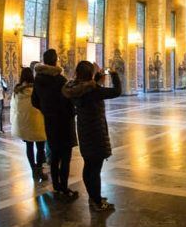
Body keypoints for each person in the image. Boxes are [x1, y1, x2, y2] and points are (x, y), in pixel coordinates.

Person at [62, 61, 121, 211]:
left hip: (83, 131)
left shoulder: (74, 88)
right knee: (95, 169)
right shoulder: (94, 91)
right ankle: (97, 202)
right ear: (90, 74)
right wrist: (113, 74)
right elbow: (117, 91)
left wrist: (96, 78)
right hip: (96, 133)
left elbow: (87, 86)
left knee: (89, 166)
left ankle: (93, 197)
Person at [32, 49, 78, 200]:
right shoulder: (60, 80)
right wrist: (72, 112)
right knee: (65, 157)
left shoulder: (38, 79)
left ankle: (56, 186)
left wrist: (46, 110)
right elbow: (69, 102)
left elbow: (34, 101)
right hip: (64, 122)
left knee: (54, 155)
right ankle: (64, 188)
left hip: (50, 122)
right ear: (55, 61)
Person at [10, 67, 47, 182]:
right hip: (38, 123)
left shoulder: (17, 90)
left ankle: (33, 169)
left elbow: (14, 107)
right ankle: (39, 170)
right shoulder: (37, 89)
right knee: (40, 148)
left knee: (29, 147)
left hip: (24, 124)